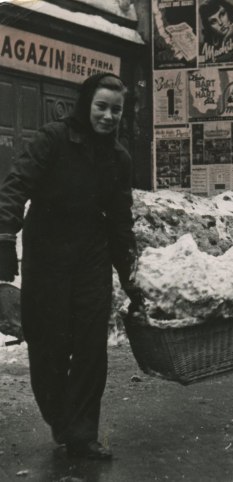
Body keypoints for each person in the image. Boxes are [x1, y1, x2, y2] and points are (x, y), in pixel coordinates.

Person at [0, 73, 143, 460]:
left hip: (91, 260)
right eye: (102, 106)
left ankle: (82, 433)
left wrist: (131, 274)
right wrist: (4, 236)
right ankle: (61, 418)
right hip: (48, 258)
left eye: (116, 109)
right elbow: (15, 185)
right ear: (86, 104)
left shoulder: (118, 158)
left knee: (90, 348)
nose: (109, 116)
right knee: (47, 346)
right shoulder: (53, 139)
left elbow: (120, 220)